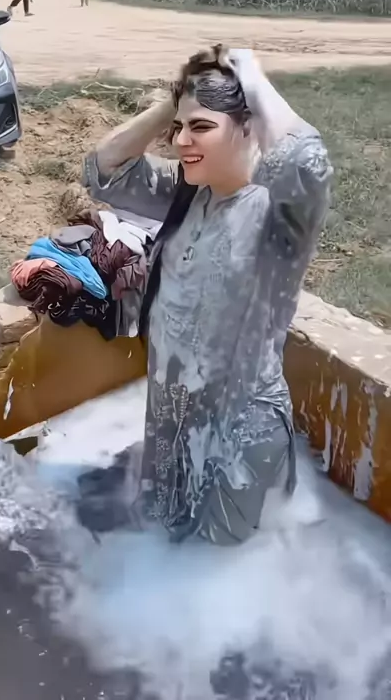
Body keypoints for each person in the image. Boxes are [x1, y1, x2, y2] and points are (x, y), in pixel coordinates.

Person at [81, 46, 332, 546]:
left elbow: (309, 162)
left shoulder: (280, 216)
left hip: (238, 431)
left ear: (247, 127)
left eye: (201, 127)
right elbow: (102, 170)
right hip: (171, 414)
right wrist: (174, 101)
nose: (181, 141)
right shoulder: (188, 192)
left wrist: (252, 78)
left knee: (218, 559)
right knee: (165, 537)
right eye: (179, 129)